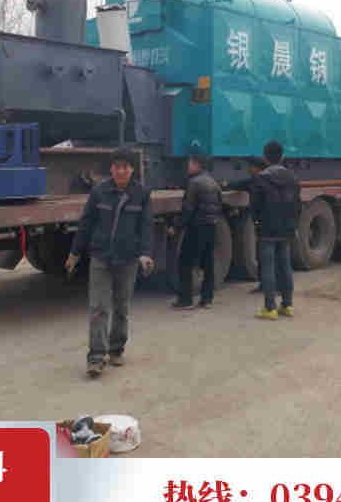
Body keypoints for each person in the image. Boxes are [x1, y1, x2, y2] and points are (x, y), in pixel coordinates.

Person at [65, 148, 154, 377]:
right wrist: (74, 253)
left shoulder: (142, 194)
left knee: (121, 308)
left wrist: (145, 253)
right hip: (101, 257)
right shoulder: (99, 192)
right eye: (116, 167)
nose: (120, 171)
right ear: (111, 169)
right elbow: (86, 224)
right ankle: (96, 357)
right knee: (98, 308)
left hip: (128, 259)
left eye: (125, 167)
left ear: (132, 169)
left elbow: (146, 227)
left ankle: (116, 349)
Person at [251, 141, 301, 320]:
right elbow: (297, 205)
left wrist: (257, 221)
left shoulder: (261, 178)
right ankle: (287, 305)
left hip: (267, 229)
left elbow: (255, 205)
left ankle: (270, 308)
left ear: (264, 158)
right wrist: (293, 224)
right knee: (285, 266)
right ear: (283, 157)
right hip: (286, 229)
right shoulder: (292, 178)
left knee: (268, 267)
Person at [172, 154, 223, 310]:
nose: (188, 166)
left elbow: (188, 209)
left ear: (197, 165)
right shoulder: (213, 182)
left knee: (185, 262)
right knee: (208, 262)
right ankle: (207, 299)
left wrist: (177, 226)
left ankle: (185, 300)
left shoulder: (193, 183)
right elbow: (219, 204)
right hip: (211, 225)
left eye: (190, 163)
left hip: (196, 227)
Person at [225, 157, 267, 292]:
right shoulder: (254, 181)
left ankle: (273, 288)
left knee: (270, 257)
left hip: (269, 224)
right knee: (263, 255)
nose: (249, 169)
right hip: (262, 224)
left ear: (258, 168)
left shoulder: (266, 182)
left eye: (251, 166)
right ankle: (264, 285)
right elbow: (239, 185)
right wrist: (225, 184)